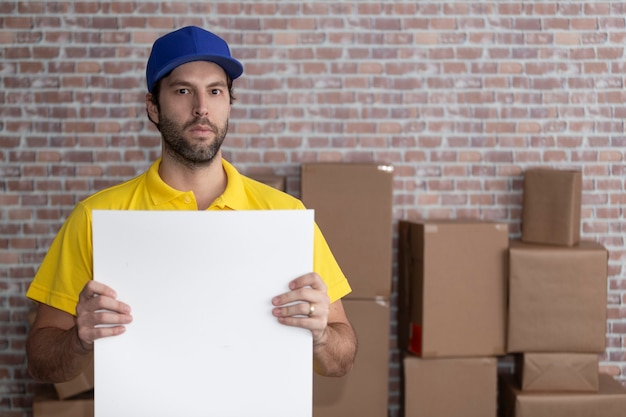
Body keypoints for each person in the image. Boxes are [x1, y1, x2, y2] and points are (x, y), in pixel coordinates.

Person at [25, 26, 357, 383]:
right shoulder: (97, 218)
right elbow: (42, 364)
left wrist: (321, 335)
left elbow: (341, 361)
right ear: (153, 106)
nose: (201, 108)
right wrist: (79, 338)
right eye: (183, 90)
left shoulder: (286, 216)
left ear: (229, 102)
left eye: (215, 91)